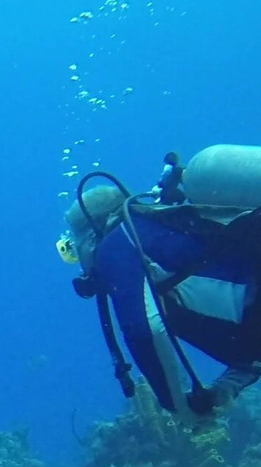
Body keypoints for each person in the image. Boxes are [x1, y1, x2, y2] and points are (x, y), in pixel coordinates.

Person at [59, 158, 261, 417]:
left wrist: (177, 406)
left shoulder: (116, 244)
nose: (78, 261)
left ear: (90, 234)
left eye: (72, 249)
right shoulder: (156, 234)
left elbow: (144, 332)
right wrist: (222, 390)